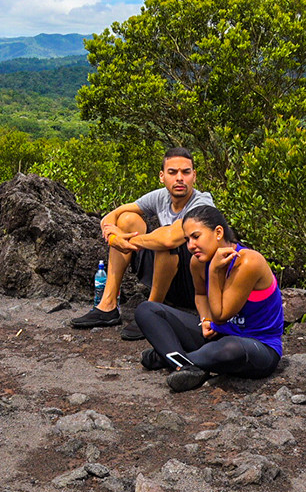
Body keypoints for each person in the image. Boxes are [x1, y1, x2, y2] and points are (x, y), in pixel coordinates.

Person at [134, 204, 284, 392]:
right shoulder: (197, 262)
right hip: (217, 334)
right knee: (147, 309)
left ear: (218, 232)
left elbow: (221, 314)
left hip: (257, 346)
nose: (190, 246)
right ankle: (187, 365)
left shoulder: (248, 262)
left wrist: (214, 271)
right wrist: (205, 319)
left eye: (196, 237)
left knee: (228, 349)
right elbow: (201, 295)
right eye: (187, 240)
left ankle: (169, 357)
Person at [70, 147, 215, 341]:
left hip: (194, 285)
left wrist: (126, 240)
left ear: (194, 176)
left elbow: (169, 238)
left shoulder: (202, 202)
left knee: (165, 241)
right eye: (173, 172)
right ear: (162, 176)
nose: (179, 178)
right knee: (127, 219)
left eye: (185, 172)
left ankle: (151, 312)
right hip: (165, 277)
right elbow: (110, 217)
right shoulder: (160, 196)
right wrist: (114, 237)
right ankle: (108, 306)